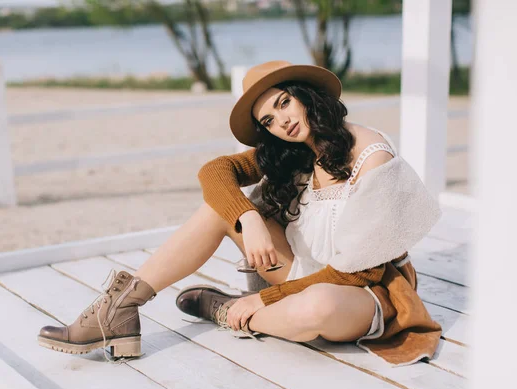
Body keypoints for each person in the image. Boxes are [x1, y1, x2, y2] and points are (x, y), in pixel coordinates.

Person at [38, 60, 442, 366]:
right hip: (300, 271)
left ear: (306, 95)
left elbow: (360, 272)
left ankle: (227, 310)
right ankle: (119, 309)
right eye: (269, 119)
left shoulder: (371, 153)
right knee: (220, 208)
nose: (282, 122)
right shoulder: (293, 149)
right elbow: (214, 172)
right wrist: (248, 218)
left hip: (360, 290)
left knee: (316, 308)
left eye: (285, 103)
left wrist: (266, 297)